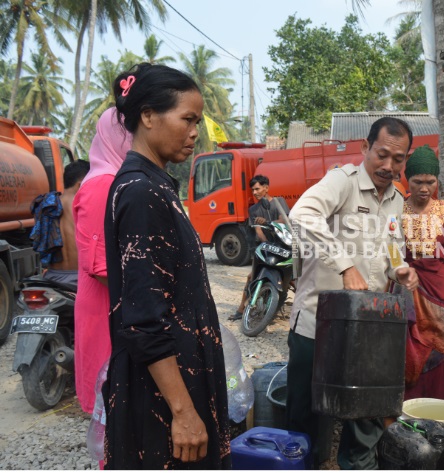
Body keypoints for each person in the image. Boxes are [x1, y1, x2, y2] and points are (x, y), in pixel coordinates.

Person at [103, 63, 230, 468]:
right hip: (161, 397)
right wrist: (183, 412)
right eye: (187, 119)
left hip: (179, 380)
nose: (196, 132)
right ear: (147, 116)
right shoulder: (141, 192)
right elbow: (143, 318)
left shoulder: (156, 184)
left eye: (198, 121)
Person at [287, 117, 419, 469]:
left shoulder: (395, 199)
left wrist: (399, 268)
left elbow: (392, 245)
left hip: (365, 329)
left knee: (364, 411)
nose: (389, 165)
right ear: (365, 148)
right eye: (382, 154)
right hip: (317, 324)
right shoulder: (341, 182)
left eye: (399, 159)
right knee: (305, 410)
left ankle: (354, 465)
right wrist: (345, 266)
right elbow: (302, 214)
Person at [72, 108, 132, 414]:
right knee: (113, 414)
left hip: (114, 311)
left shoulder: (115, 180)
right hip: (105, 313)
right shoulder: (102, 185)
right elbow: (101, 268)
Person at [400, 145, 444, 400]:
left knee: (439, 348)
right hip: (405, 289)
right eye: (417, 181)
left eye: (431, 181)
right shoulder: (397, 209)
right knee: (407, 349)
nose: (424, 188)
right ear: (407, 179)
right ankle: (406, 409)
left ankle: (437, 409)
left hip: (439, 290)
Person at [229, 174, 289, 321]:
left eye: (257, 189)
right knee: (251, 277)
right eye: (253, 190)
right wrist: (266, 245)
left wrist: (268, 222)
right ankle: (241, 309)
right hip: (266, 247)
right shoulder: (254, 209)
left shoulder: (279, 202)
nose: (254, 192)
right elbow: (258, 230)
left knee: (295, 278)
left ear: (266, 188)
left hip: (283, 245)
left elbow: (284, 220)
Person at [33, 160, 90, 287]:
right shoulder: (84, 204)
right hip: (81, 279)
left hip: (53, 276)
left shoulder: (47, 205)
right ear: (80, 184)